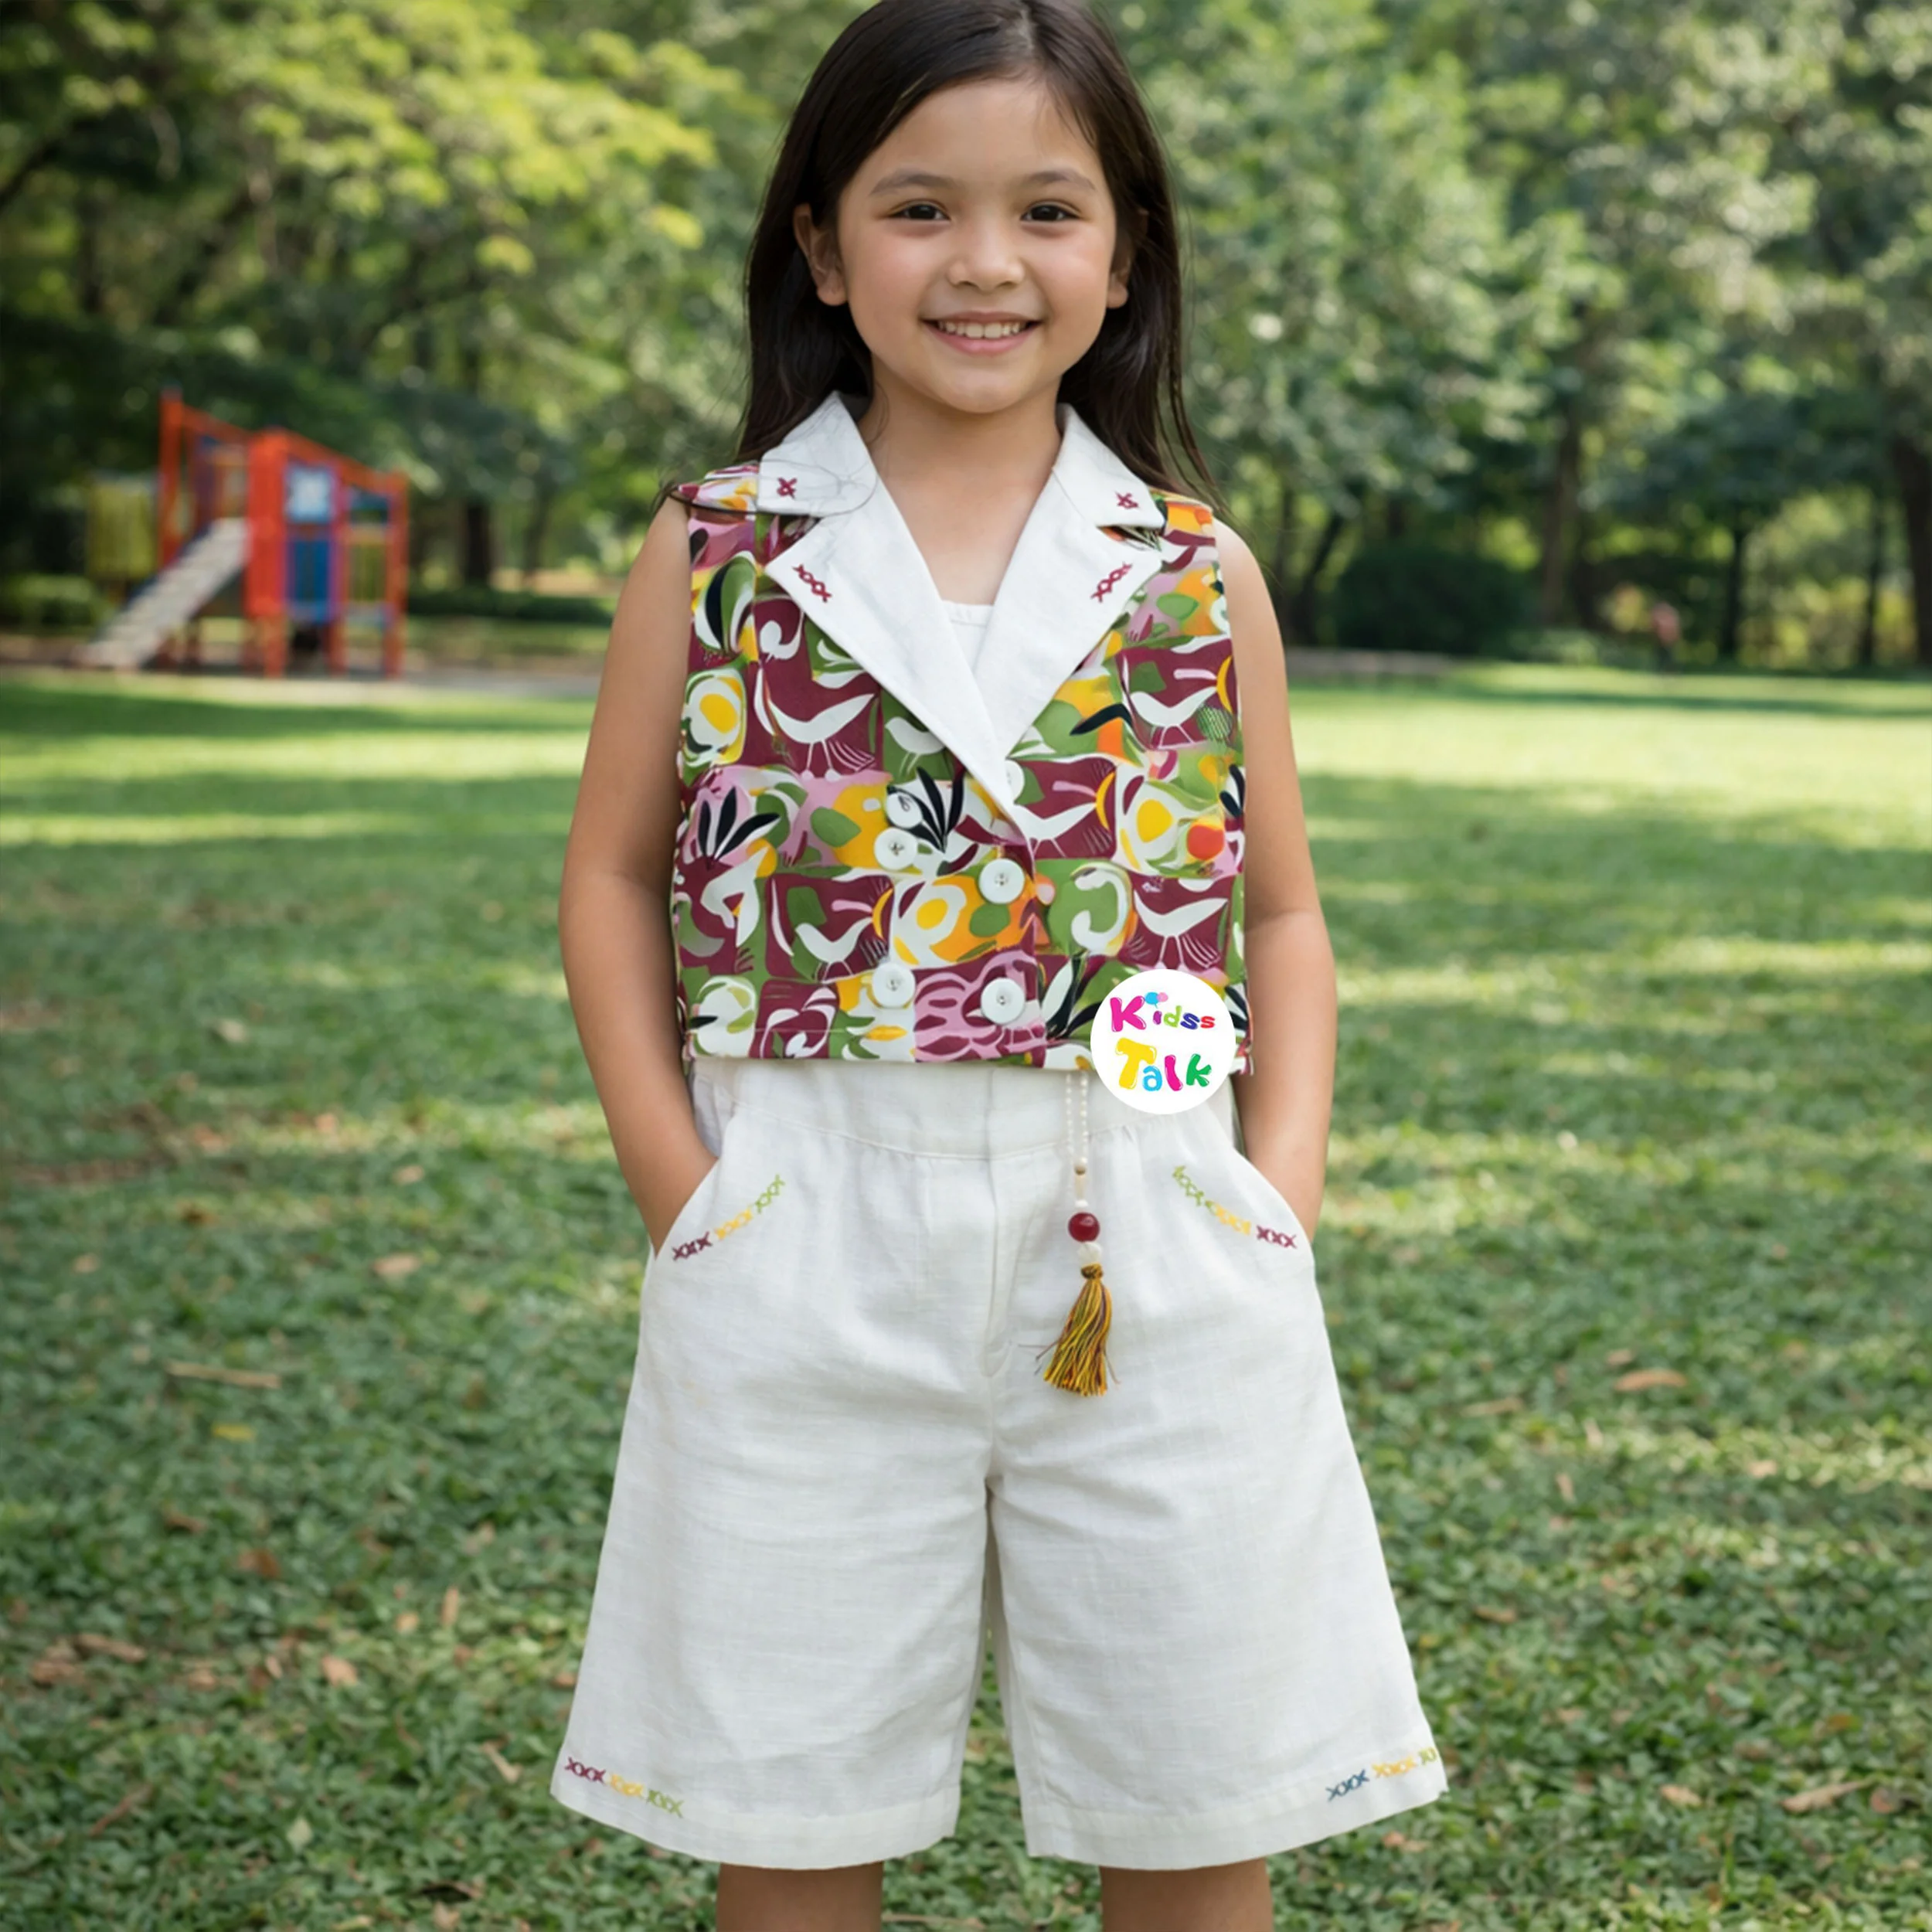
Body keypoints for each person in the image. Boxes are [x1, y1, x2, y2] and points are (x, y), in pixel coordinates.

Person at [548, 4, 1444, 1927]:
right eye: (915, 207)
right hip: (799, 1226)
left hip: (1149, 1222)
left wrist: (1262, 1193)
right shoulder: (720, 546)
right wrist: (686, 1196)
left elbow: (1276, 909)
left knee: (1194, 1790)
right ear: (818, 245)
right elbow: (614, 877)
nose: (981, 262)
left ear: (1122, 255)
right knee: (786, 1818)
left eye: (1047, 209)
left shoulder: (1191, 568)